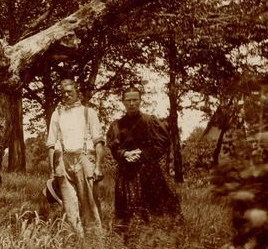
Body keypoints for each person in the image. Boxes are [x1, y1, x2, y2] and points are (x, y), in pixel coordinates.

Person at [106, 88, 181, 233]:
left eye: (135, 100)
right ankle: (129, 240)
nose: (132, 103)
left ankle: (154, 238)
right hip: (126, 175)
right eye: (128, 100)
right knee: (127, 211)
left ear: (140, 101)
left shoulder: (150, 121)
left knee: (154, 209)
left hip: (149, 172)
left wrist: (142, 153)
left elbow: (163, 144)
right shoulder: (116, 125)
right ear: (123, 102)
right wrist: (124, 154)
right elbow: (113, 147)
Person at [46, 78, 104, 236]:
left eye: (69, 91)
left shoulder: (88, 112)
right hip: (63, 160)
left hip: (84, 159)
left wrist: (98, 166)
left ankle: (96, 242)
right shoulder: (57, 114)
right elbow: (51, 143)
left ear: (77, 91)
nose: (66, 95)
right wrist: (52, 170)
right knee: (69, 205)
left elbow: (98, 142)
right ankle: (76, 241)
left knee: (90, 204)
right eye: (63, 92)